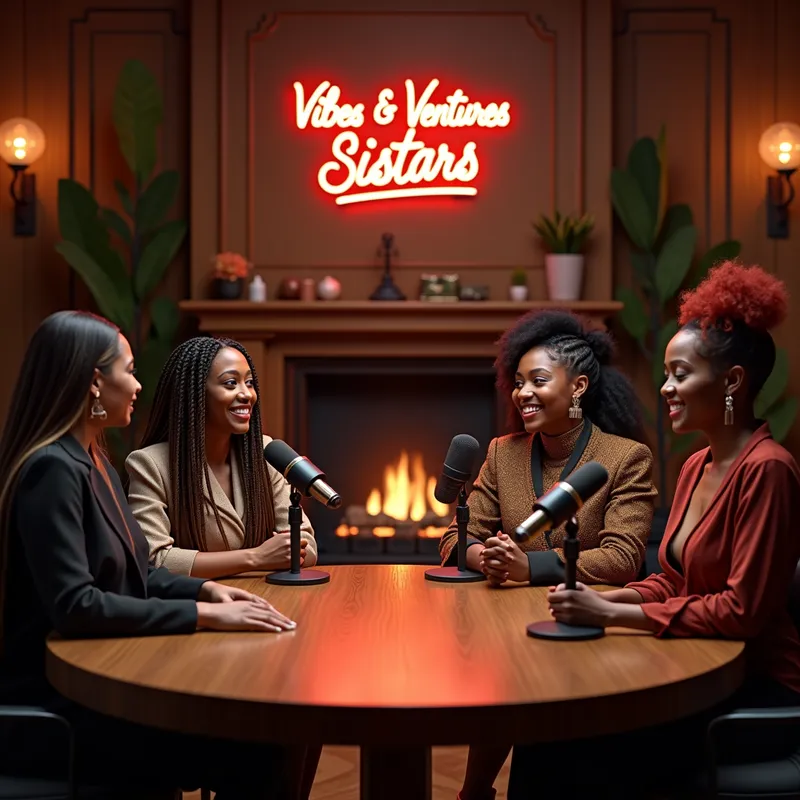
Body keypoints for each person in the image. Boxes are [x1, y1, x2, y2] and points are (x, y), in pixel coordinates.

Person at [511, 262, 800, 796]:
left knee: (577, 750)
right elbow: (675, 579)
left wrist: (615, 613)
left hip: (756, 691)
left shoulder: (769, 469)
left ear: (733, 381)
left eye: (680, 374)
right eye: (667, 372)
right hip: (698, 664)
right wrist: (609, 593)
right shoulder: (695, 466)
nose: (665, 387)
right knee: (544, 727)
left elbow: (740, 612)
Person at [0, 311, 315, 799]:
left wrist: (207, 588)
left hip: (107, 677)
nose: (139, 385)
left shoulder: (92, 460)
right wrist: (201, 615)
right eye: (128, 370)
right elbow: (77, 605)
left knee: (278, 731)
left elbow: (141, 570)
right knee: (262, 745)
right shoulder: (51, 469)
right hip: (67, 704)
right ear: (94, 384)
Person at [448, 310, 657, 800]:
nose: (522, 393)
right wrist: (485, 557)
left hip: (589, 624)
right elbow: (458, 536)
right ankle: (474, 792)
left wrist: (529, 567)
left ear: (579, 386)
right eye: (517, 382)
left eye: (538, 380)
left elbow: (622, 559)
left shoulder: (624, 458)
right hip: (512, 620)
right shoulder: (504, 452)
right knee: (501, 663)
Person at [126, 336, 317, 579]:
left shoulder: (264, 454)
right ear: (194, 394)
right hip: (197, 605)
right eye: (230, 383)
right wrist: (256, 557)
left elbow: (307, 548)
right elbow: (153, 559)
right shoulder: (150, 464)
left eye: (249, 382)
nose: (246, 394)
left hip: (266, 597)